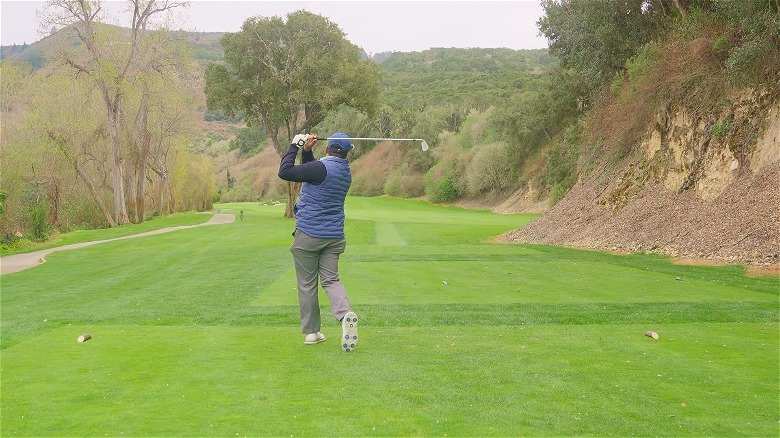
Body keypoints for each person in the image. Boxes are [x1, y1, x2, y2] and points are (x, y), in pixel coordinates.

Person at [277, 132, 359, 352]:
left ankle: (312, 333)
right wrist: (307, 152)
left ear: (327, 149)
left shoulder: (321, 168)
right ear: (347, 152)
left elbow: (285, 172)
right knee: (331, 280)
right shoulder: (344, 172)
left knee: (307, 284)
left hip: (309, 235)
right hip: (334, 237)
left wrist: (295, 145)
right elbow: (313, 175)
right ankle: (345, 315)